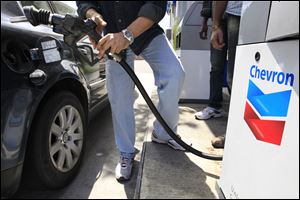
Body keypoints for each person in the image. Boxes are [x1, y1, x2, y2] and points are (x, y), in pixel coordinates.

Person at [76, 1, 188, 181]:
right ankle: (126, 151)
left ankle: (163, 134)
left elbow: (156, 4)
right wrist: (93, 15)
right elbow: (84, 2)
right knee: (119, 95)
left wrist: (127, 34)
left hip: (147, 33)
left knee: (174, 74)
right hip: (112, 37)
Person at [195, 1, 242, 148]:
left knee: (235, 74)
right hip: (220, 15)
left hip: (240, 13)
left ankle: (237, 130)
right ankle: (214, 106)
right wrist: (209, 23)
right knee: (216, 66)